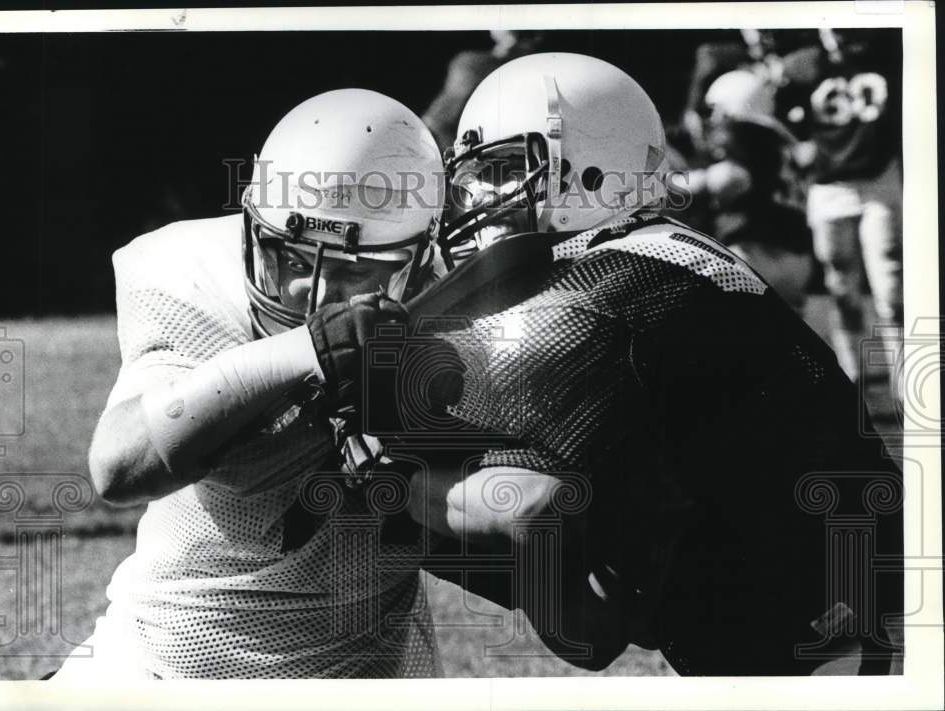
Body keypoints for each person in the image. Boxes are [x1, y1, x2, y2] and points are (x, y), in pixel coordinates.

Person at [358, 53, 902, 675]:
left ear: (591, 170)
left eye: (503, 170)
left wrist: (380, 474)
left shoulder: (605, 292)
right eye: (476, 175)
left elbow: (531, 509)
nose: (479, 195)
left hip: (841, 646)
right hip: (833, 617)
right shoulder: (656, 254)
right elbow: (591, 625)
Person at [51, 89, 446, 679]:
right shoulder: (195, 278)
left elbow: (532, 568)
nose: (310, 292)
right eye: (292, 259)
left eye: (354, 268)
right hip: (160, 662)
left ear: (420, 261)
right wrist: (310, 352)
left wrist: (411, 474)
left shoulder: (455, 317)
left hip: (359, 676)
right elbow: (120, 467)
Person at [775, 29, 903, 383]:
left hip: (878, 178)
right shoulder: (803, 63)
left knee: (891, 285)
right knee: (841, 286)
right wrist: (798, 143)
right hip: (830, 186)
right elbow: (773, 112)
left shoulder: (889, 50)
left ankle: (906, 379)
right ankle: (852, 373)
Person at [669, 68, 814, 311]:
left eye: (714, 109)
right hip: (798, 257)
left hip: (753, 250)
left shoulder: (737, 133)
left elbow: (730, 178)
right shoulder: (782, 140)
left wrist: (673, 184)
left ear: (730, 105)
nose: (710, 118)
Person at [422, 30, 544, 151]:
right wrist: (461, 157)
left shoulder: (538, 72)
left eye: (525, 33)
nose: (513, 40)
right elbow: (437, 122)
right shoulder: (474, 65)